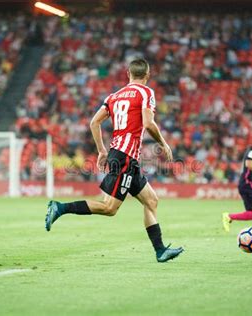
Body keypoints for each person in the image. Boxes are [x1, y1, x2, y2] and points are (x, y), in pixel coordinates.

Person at [45, 58, 184, 262]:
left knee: (152, 201)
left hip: (123, 156)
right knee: (109, 208)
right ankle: (60, 207)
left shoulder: (114, 96)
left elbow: (94, 122)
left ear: (128, 74)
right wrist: (163, 142)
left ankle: (160, 250)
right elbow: (149, 122)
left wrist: (102, 150)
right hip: (125, 157)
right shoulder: (146, 92)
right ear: (147, 75)